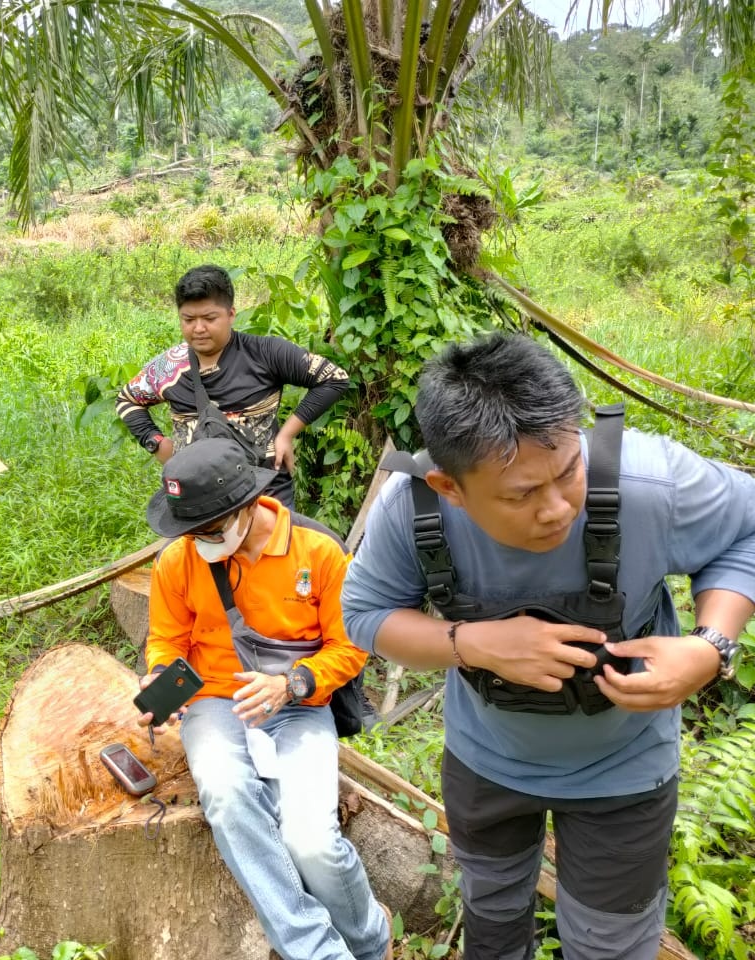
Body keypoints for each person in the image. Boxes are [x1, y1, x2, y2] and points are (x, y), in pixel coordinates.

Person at [341, 333, 755, 960]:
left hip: (625, 769)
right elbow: (364, 614)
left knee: (610, 942)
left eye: (569, 472)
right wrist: (471, 643)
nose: (558, 508)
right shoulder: (416, 510)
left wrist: (709, 646)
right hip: (485, 759)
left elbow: (747, 531)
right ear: (450, 487)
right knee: (493, 910)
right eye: (521, 495)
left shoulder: (651, 483)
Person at [138, 437, 393, 960]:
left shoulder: (318, 552)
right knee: (228, 797)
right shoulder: (178, 560)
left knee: (312, 841)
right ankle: (318, 951)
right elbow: (167, 639)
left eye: (208, 532)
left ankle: (370, 941)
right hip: (214, 701)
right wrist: (160, 676)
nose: (198, 543)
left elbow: (351, 646)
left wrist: (292, 684)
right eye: (189, 533)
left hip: (297, 703)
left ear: (247, 507)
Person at [115, 264, 353, 510]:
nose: (198, 328)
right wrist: (154, 442)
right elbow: (127, 399)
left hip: (266, 493)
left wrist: (287, 434)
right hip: (198, 499)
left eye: (209, 318)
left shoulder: (266, 353)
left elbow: (334, 378)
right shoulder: (168, 367)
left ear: (231, 314)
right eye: (188, 319)